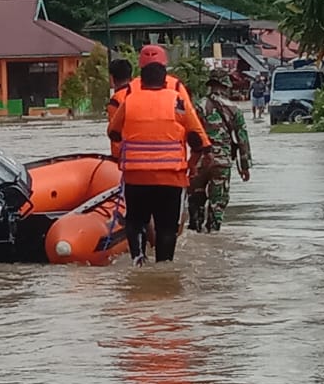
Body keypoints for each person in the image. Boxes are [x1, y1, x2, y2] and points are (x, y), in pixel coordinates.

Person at [108, 49, 211, 266]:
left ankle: (138, 260)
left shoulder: (130, 98)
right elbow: (199, 141)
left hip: (136, 177)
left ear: (141, 77)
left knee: (136, 221)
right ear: (165, 76)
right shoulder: (177, 99)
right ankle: (164, 267)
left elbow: (113, 133)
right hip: (171, 177)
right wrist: (192, 165)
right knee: (167, 227)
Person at [188, 68, 252, 233]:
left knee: (195, 200)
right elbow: (242, 140)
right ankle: (213, 235)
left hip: (199, 161)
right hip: (222, 163)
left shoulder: (197, 107)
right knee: (217, 203)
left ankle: (195, 232)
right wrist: (244, 166)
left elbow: (188, 133)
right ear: (225, 86)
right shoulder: (234, 109)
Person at [106, 58, 134, 161]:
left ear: (111, 78)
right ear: (131, 76)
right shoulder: (141, 94)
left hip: (125, 157)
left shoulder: (116, 101)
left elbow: (114, 133)